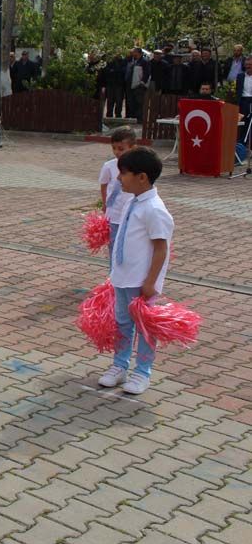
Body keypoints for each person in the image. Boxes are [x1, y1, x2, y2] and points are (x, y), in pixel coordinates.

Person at [99, 146, 173, 395]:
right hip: (122, 277)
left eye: (124, 173)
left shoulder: (155, 209)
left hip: (141, 281)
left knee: (145, 327)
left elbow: (161, 248)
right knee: (122, 323)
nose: (119, 178)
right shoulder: (132, 201)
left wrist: (150, 282)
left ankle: (142, 372)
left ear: (141, 177)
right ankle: (119, 366)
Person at [99, 127, 137, 258]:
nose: (116, 152)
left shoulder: (138, 166)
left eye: (121, 149)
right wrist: (105, 203)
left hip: (132, 214)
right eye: (114, 148)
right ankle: (113, 270)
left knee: (129, 248)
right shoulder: (109, 166)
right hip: (114, 215)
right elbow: (103, 185)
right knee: (114, 248)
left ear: (132, 148)